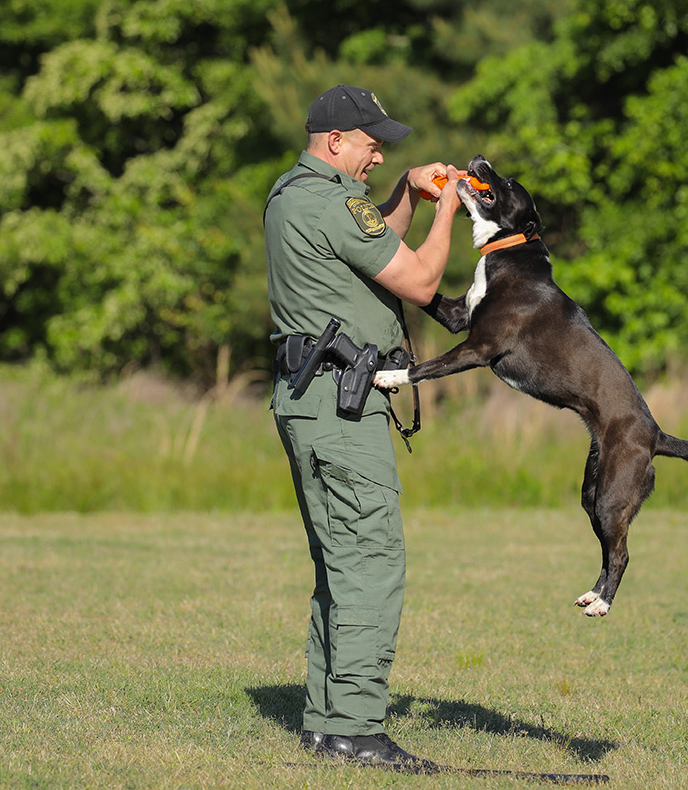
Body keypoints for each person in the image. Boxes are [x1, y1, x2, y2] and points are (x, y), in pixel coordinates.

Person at [264, 84, 463, 771]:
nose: (381, 152)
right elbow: (419, 280)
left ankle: (327, 725)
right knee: (372, 562)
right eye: (372, 141)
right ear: (336, 141)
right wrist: (452, 212)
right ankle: (354, 726)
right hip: (341, 408)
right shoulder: (331, 199)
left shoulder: (296, 193)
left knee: (339, 565)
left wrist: (410, 194)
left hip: (310, 401)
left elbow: (373, 241)